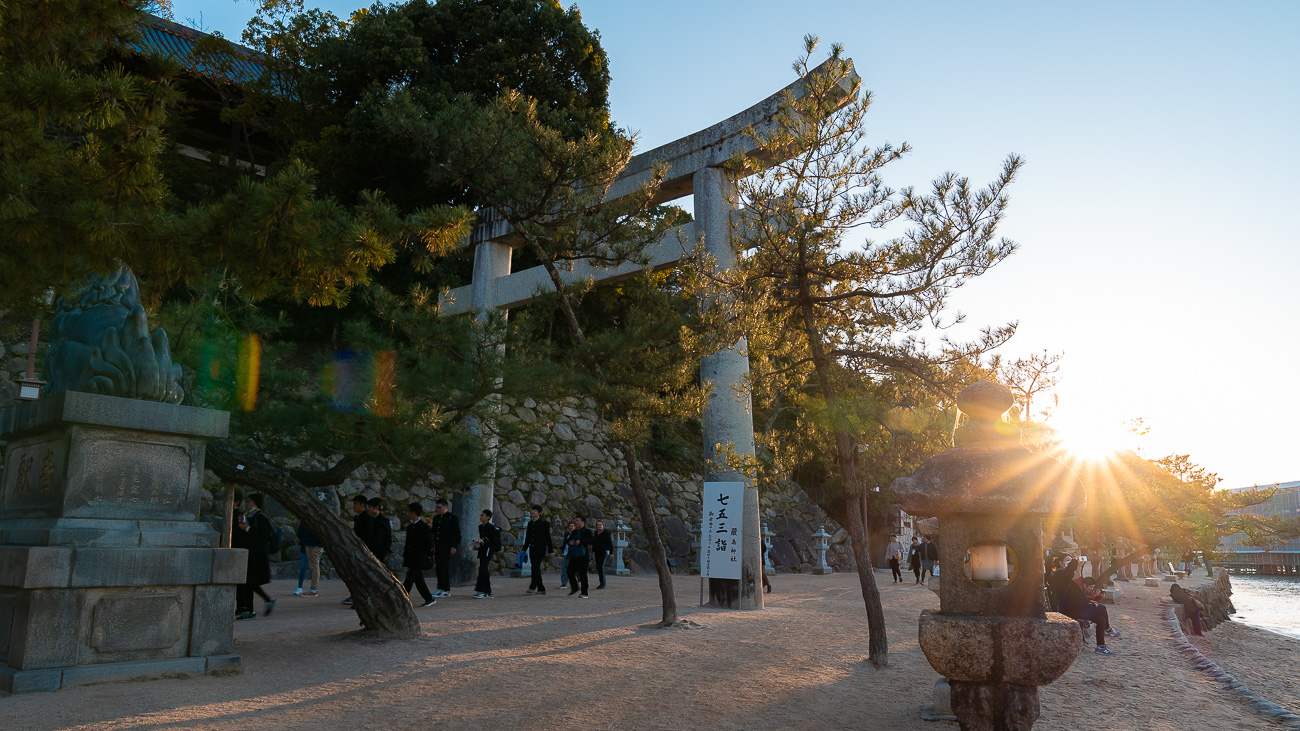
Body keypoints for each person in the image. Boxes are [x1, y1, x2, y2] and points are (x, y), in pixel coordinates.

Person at [1054, 557, 1120, 654]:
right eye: (1068, 560)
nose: (1070, 562)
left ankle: (1101, 646)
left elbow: (1075, 596)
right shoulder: (1059, 575)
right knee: (1102, 608)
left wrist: (1090, 600)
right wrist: (1074, 562)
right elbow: (1068, 574)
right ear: (1060, 562)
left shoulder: (1066, 577)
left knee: (1101, 619)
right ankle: (1108, 629)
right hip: (1072, 610)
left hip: (1079, 607)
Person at [235, 493, 276, 620]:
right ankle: (250, 610)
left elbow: (262, 535)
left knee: (250, 582)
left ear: (255, 503)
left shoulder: (260, 517)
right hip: (253, 554)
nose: (247, 504)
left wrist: (247, 529)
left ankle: (266, 601)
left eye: (249, 501)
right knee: (249, 582)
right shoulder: (252, 516)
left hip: (258, 555)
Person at [342, 495, 373, 606]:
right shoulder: (358, 518)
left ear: (362, 505)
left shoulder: (367, 519)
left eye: (356, 504)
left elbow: (367, 537)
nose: (353, 506)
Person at [430, 498, 461, 598]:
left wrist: (454, 546)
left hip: (447, 546)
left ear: (445, 507)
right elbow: (435, 532)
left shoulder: (452, 518)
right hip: (438, 546)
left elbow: (456, 533)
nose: (438, 510)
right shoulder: (436, 518)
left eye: (439, 507)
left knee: (443, 567)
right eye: (437, 508)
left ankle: (443, 588)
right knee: (439, 567)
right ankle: (443, 588)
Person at [524, 505, 555, 595]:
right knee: (533, 568)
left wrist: (551, 550)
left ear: (539, 513)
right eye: (532, 510)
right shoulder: (530, 523)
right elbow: (528, 538)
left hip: (540, 549)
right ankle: (534, 586)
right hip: (532, 549)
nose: (532, 512)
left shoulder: (544, 523)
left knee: (535, 567)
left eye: (535, 510)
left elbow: (548, 538)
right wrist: (524, 549)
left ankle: (540, 587)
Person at [473, 509, 502, 598]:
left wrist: (483, 542)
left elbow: (494, 542)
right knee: (484, 570)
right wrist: (477, 545)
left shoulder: (491, 528)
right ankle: (488, 592)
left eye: (483, 515)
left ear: (488, 517)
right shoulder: (480, 527)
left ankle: (480, 590)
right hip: (482, 551)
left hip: (488, 551)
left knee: (482, 569)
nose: (481, 517)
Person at [294, 520, 324, 597]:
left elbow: (300, 533)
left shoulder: (311, 521)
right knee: (313, 567)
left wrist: (311, 543)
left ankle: (313, 590)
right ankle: (312, 589)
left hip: (312, 546)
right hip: (311, 545)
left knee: (314, 568)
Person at [563, 519, 591, 598]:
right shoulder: (574, 532)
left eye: (578, 521)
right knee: (569, 571)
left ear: (583, 522)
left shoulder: (587, 531)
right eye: (576, 521)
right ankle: (575, 588)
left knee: (582, 575)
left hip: (583, 556)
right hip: (574, 556)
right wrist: (570, 542)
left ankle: (584, 592)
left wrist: (581, 541)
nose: (576, 522)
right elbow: (568, 540)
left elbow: (591, 540)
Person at [365, 497, 393, 569]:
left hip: (380, 550)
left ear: (376, 507)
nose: (368, 508)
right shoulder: (369, 519)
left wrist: (384, 549)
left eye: (370, 506)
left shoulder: (383, 521)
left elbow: (387, 536)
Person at [591, 519, 613, 589]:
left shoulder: (606, 533)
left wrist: (611, 552)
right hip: (597, 552)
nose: (599, 526)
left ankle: (603, 582)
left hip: (604, 552)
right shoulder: (596, 533)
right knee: (598, 566)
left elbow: (610, 543)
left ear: (603, 525)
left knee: (601, 565)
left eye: (600, 524)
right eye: (598, 525)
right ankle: (601, 582)